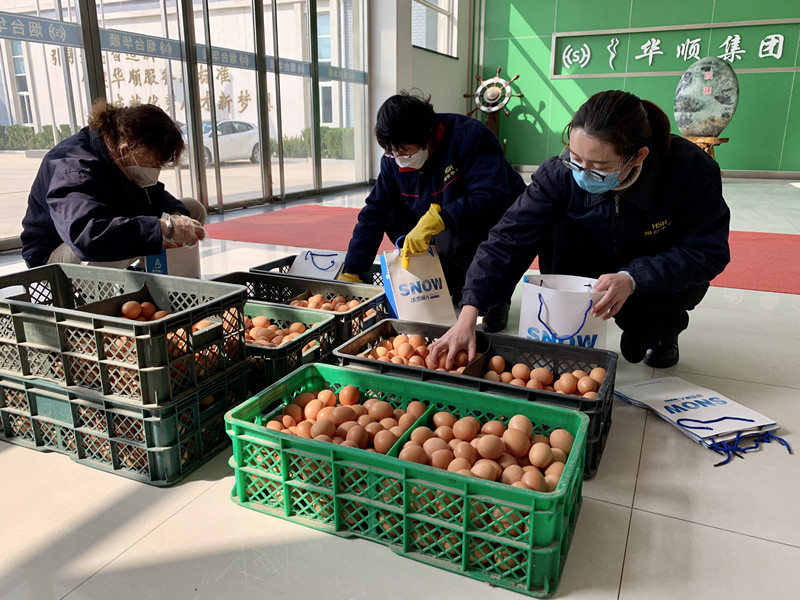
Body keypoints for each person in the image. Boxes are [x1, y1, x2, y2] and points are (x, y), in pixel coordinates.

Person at [428, 90, 731, 369]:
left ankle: (661, 332)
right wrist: (470, 311)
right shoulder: (560, 173)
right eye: (576, 158)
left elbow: (707, 250)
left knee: (647, 332)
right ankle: (567, 320)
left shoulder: (690, 170)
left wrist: (633, 277)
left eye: (599, 165)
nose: (583, 172)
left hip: (653, 264)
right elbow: (508, 239)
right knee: (557, 229)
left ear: (638, 156)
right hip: (592, 256)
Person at [338, 90, 527, 332]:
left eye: (404, 151)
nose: (399, 158)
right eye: (391, 151)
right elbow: (375, 209)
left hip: (487, 217)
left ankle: (496, 297)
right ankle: (449, 283)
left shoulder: (470, 137)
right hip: (439, 218)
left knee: (464, 239)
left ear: (427, 137)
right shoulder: (394, 156)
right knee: (388, 211)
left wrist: (442, 217)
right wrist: (353, 269)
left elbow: (491, 196)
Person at [21, 100, 206, 269]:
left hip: (94, 234)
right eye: (153, 164)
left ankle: (147, 273)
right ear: (125, 150)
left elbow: (153, 194)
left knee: (192, 211)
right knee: (114, 244)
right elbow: (88, 237)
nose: (155, 171)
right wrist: (165, 228)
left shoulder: (119, 155)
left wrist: (176, 216)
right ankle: (102, 300)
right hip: (55, 256)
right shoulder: (74, 169)